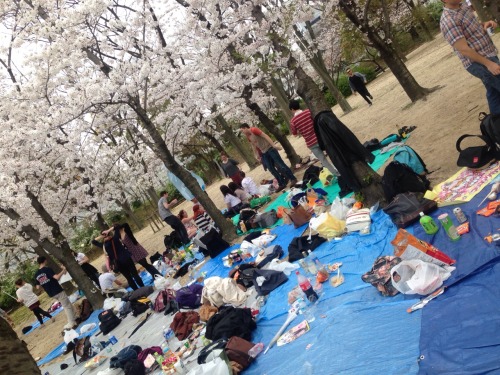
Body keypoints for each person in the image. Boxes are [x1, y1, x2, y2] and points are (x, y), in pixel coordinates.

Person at [440, 0, 499, 114]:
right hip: (479, 63)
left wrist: (486, 24)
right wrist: (489, 64)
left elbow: (472, 29)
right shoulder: (449, 20)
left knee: (494, 93)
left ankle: (495, 125)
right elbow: (463, 49)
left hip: (489, 53)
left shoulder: (463, 7)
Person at [288, 99, 340, 176]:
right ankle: (341, 168)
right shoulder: (308, 112)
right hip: (320, 137)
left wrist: (301, 130)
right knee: (333, 153)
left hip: (310, 143)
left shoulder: (293, 121)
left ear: (292, 109)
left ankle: (336, 174)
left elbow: (295, 134)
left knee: (323, 160)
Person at [239, 123, 297, 191]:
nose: (242, 132)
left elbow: (265, 136)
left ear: (245, 128)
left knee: (281, 165)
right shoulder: (248, 136)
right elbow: (253, 145)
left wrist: (273, 145)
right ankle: (282, 183)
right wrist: (256, 154)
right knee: (271, 169)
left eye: (242, 130)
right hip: (264, 152)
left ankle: (292, 178)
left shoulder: (254, 130)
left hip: (270, 149)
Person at [34, 256, 76, 329]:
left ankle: (74, 317)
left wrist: (44, 282)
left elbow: (38, 287)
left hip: (50, 293)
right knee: (67, 306)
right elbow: (56, 277)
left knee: (68, 303)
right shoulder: (47, 269)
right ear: (44, 261)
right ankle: (71, 322)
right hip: (57, 290)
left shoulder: (36, 274)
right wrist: (63, 271)